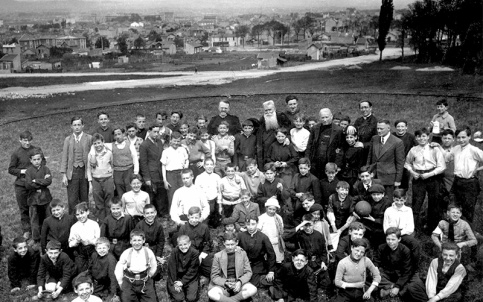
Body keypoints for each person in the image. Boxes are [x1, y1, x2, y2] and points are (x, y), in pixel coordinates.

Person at [436, 126, 483, 223]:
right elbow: (447, 157)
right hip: (457, 182)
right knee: (453, 208)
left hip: (470, 183)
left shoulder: (474, 150)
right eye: (458, 138)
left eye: (463, 137)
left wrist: (478, 169)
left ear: (469, 137)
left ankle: (468, 233)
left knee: (468, 210)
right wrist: (439, 147)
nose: (461, 140)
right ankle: (454, 231)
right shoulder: (456, 148)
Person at [404, 127, 446, 232]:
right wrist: (413, 172)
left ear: (428, 137)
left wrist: (430, 174)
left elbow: (442, 166)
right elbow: (407, 163)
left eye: (424, 136)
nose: (421, 139)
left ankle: (431, 227)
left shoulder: (434, 149)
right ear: (416, 138)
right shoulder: (413, 150)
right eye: (419, 136)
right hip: (418, 178)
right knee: (417, 202)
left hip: (433, 177)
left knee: (434, 202)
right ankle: (415, 228)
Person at [9, 130, 46, 239]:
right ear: (20, 140)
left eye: (29, 140)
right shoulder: (16, 153)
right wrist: (22, 171)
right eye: (25, 141)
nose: (27, 143)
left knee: (37, 206)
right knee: (24, 207)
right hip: (21, 185)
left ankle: (40, 228)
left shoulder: (36, 150)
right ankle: (26, 229)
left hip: (34, 184)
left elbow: (43, 162)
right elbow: (11, 169)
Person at [374, 227, 428, 302]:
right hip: (388, 272)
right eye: (388, 239)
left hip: (401, 273)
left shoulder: (405, 250)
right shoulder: (381, 247)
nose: (390, 242)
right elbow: (377, 260)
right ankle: (392, 286)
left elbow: (407, 271)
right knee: (373, 273)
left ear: (399, 239)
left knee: (415, 285)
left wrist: (398, 286)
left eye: (393, 239)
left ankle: (391, 290)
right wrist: (376, 266)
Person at [207, 232, 257, 302]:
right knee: (211, 293)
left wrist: (240, 282)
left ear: (237, 242)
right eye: (227, 245)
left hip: (238, 283)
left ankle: (229, 300)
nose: (230, 247)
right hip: (224, 285)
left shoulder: (242, 253)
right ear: (224, 243)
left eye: (232, 244)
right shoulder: (218, 256)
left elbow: (248, 272)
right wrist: (225, 283)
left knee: (253, 289)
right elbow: (214, 276)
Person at [366, 119, 405, 202]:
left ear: (388, 128)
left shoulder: (397, 142)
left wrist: (397, 180)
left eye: (381, 129)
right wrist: (368, 171)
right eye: (378, 128)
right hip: (375, 175)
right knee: (373, 199)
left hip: (388, 178)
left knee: (387, 201)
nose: (379, 131)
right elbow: (369, 157)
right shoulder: (374, 139)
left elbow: (400, 163)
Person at [60, 116, 93, 214]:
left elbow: (93, 155)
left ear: (83, 126)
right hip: (72, 171)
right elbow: (64, 157)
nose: (77, 127)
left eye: (79, 125)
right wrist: (64, 175)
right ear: (71, 126)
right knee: (72, 200)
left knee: (84, 198)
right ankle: (72, 221)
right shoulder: (68, 139)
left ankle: (85, 219)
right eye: (75, 125)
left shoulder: (89, 138)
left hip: (84, 171)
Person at [114, 230, 158, 302]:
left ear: (144, 241)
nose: (137, 243)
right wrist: (120, 282)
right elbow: (119, 267)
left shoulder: (148, 252)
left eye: (139, 240)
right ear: (130, 241)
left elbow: (154, 265)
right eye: (134, 240)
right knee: (126, 299)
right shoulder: (126, 252)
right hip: (129, 281)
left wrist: (149, 275)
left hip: (145, 280)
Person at [238, 215, 277, 288]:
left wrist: (271, 271)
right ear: (245, 224)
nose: (250, 227)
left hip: (258, 264)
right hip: (243, 263)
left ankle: (261, 278)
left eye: (253, 224)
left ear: (257, 223)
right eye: (248, 224)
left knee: (253, 283)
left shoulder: (263, 237)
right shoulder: (241, 236)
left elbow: (271, 254)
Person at [305, 108, 345, 179]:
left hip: (330, 161)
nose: (325, 119)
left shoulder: (339, 130)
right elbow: (309, 145)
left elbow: (341, 149)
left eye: (327, 117)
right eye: (322, 117)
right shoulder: (315, 128)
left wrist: (337, 165)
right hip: (316, 162)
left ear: (331, 116)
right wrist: (307, 160)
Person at [139, 124, 168, 217]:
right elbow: (143, 162)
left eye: (158, 132)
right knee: (151, 193)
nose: (156, 134)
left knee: (161, 193)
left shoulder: (159, 142)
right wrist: (146, 178)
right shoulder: (144, 145)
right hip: (151, 172)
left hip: (160, 171)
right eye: (154, 132)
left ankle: (162, 212)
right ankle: (150, 213)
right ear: (149, 132)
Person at [25, 148, 52, 244]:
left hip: (45, 197)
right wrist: (42, 182)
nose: (37, 162)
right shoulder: (28, 171)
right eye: (34, 160)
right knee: (34, 219)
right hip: (33, 198)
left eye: (38, 159)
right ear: (31, 160)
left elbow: (49, 181)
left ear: (41, 159)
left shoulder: (46, 169)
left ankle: (50, 235)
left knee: (48, 216)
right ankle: (36, 238)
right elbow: (28, 185)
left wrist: (36, 181)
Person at [176, 206, 212, 278]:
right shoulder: (183, 228)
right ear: (188, 216)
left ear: (200, 217)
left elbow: (208, 242)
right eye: (192, 217)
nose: (194, 220)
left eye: (196, 218)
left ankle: (201, 272)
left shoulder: (204, 227)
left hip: (201, 252)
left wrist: (202, 254)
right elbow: (180, 243)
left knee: (210, 271)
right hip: (188, 253)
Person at [256, 100, 292, 170]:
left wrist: (288, 137)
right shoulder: (262, 118)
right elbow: (259, 131)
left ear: (274, 109)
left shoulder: (281, 116)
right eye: (266, 110)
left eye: (270, 110)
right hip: (268, 142)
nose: (268, 112)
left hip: (280, 139)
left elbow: (289, 127)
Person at [134, 204, 166, 281]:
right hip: (142, 248)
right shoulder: (139, 225)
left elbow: (161, 241)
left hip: (154, 248)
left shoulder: (158, 226)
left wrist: (158, 255)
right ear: (144, 215)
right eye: (147, 213)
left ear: (155, 213)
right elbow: (136, 239)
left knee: (154, 274)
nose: (150, 215)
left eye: (152, 213)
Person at [87, 133, 114, 220]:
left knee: (109, 201)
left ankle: (109, 220)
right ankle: (101, 222)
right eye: (95, 143)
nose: (97, 145)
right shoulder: (91, 155)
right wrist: (90, 182)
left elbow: (113, 166)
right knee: (98, 202)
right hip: (96, 179)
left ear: (103, 142)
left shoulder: (109, 153)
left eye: (99, 143)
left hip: (108, 178)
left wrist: (112, 179)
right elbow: (88, 169)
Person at [167, 235, 200, 302]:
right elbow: (172, 268)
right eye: (180, 245)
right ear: (178, 245)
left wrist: (182, 282)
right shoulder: (174, 252)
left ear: (189, 243)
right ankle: (175, 290)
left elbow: (192, 270)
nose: (183, 247)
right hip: (177, 277)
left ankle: (188, 288)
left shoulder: (195, 253)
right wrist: (176, 283)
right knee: (179, 298)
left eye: (185, 244)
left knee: (191, 298)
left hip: (191, 277)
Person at [69, 202, 100, 272]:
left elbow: (98, 240)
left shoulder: (94, 224)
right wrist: (76, 241)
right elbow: (70, 244)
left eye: (82, 213)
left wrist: (89, 241)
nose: (80, 216)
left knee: (95, 268)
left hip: (93, 250)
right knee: (80, 271)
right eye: (77, 214)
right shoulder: (74, 227)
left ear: (87, 212)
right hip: (80, 251)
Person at [358, 184, 392, 248]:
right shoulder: (369, 200)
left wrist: (374, 220)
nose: (376, 197)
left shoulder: (387, 203)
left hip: (380, 227)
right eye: (374, 195)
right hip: (369, 225)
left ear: (383, 194)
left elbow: (388, 220)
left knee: (378, 244)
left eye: (378, 194)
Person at [161, 131, 189, 208]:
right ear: (170, 140)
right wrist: (165, 180)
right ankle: (172, 216)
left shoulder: (183, 149)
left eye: (178, 141)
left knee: (183, 193)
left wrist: (186, 167)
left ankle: (183, 214)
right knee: (172, 195)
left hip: (181, 173)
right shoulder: (166, 151)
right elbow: (163, 166)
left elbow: (187, 160)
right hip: (171, 174)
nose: (176, 143)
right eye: (174, 141)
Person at [111, 127, 139, 197]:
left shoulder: (129, 144)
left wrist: (136, 171)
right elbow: (96, 145)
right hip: (117, 171)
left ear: (123, 134)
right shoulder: (111, 146)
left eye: (119, 134)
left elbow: (135, 157)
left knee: (130, 189)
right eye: (115, 135)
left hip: (128, 170)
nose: (117, 136)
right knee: (120, 190)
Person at [195, 157, 222, 228]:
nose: (209, 166)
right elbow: (197, 192)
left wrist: (219, 206)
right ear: (204, 166)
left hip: (214, 201)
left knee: (216, 224)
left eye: (211, 164)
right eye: (207, 164)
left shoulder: (217, 177)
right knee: (203, 224)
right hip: (204, 202)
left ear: (214, 166)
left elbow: (219, 192)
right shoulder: (199, 177)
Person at [258, 197, 285, 263]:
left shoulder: (278, 218)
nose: (271, 211)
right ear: (266, 208)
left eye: (274, 209)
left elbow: (281, 229)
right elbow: (258, 230)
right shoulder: (262, 218)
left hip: (277, 242)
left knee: (277, 261)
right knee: (267, 261)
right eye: (270, 209)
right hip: (266, 243)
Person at [392, 119, 417, 190]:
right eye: (398, 126)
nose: (400, 128)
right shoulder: (392, 136)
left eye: (402, 126)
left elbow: (418, 148)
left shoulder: (411, 137)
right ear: (395, 127)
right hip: (393, 163)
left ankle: (402, 198)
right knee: (392, 183)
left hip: (405, 163)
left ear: (406, 127)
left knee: (404, 184)